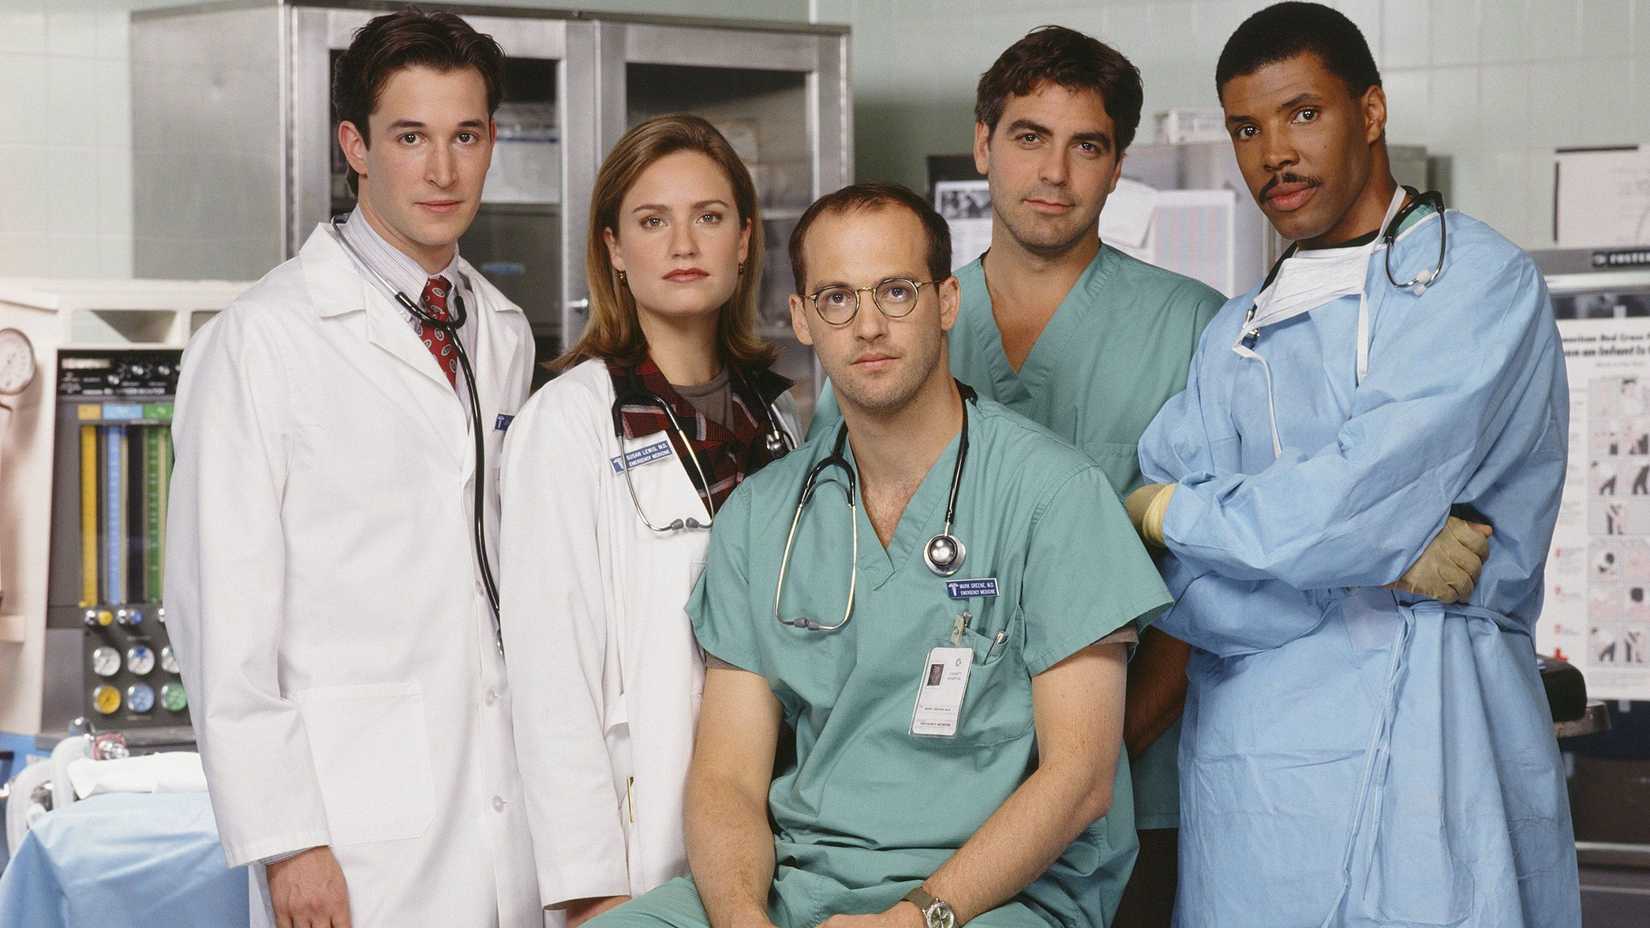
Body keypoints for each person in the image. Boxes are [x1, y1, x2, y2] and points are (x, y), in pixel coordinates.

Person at [589, 183, 1170, 928]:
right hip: (801, 885)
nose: (868, 325)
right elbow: (727, 777)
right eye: (836, 298)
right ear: (802, 318)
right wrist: (741, 918)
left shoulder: (1053, 496)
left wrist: (915, 917)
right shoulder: (764, 516)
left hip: (994, 898)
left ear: (947, 301)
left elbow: (1081, 779)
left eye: (896, 292)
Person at [1127, 3, 1580, 925]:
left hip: (1439, 746)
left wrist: (1174, 512)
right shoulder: (1233, 337)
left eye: (1303, 114)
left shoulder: (1474, 284)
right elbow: (1182, 591)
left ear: (1370, 111)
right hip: (1258, 790)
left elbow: (1353, 500)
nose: (1273, 155)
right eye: (1246, 129)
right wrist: (1372, 565)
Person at [809, 33, 1222, 919]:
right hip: (917, 811)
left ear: (1118, 167)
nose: (1055, 173)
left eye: (1088, 145)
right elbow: (837, 571)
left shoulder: (1193, 330)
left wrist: (1085, 763)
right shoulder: (898, 319)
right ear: (982, 145)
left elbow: (1214, 587)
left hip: (1132, 793)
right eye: (1030, 137)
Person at [165, 10, 540, 927]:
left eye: (466, 136)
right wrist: (288, 841)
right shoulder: (261, 340)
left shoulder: (502, 332)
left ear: (492, 143)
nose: (442, 170)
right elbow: (219, 617)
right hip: (347, 834)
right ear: (356, 147)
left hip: (504, 810)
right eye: (410, 137)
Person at [499, 114, 799, 926]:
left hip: (780, 831)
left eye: (709, 216)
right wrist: (591, 890)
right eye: (653, 220)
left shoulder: (779, 422)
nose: (683, 244)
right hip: (639, 845)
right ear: (615, 250)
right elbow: (549, 674)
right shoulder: (569, 421)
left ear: (745, 240)